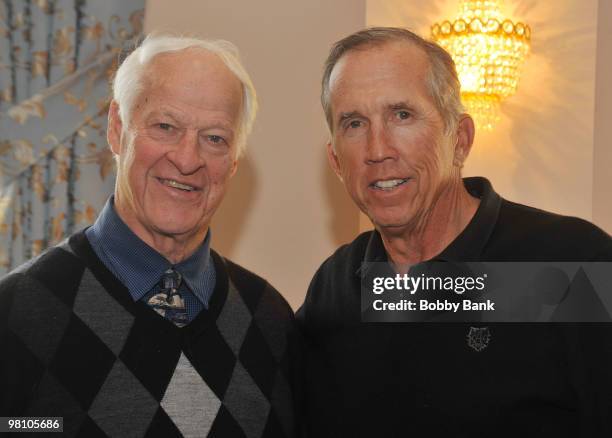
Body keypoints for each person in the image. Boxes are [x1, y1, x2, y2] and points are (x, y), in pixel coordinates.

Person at [297, 27, 612, 437]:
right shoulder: (335, 288)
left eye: (402, 115)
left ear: (459, 140)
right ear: (337, 162)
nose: (378, 149)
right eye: (354, 123)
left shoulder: (575, 266)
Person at [0, 35, 298, 438]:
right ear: (117, 130)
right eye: (165, 126)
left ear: (232, 163)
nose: (187, 158)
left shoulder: (270, 320)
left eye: (214, 138)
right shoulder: (17, 312)